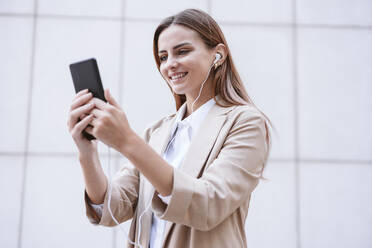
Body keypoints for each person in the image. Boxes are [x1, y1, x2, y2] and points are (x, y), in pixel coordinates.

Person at [67, 8, 271, 248]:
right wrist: (87, 151)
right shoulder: (158, 131)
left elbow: (208, 205)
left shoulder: (245, 122)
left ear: (218, 55)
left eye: (182, 51)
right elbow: (113, 208)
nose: (170, 64)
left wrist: (127, 142)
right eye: (163, 57)